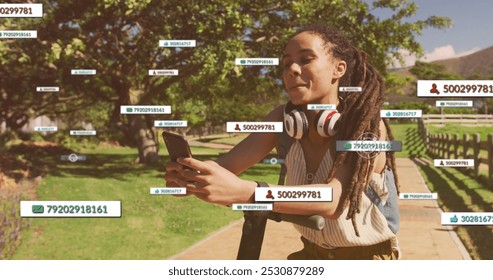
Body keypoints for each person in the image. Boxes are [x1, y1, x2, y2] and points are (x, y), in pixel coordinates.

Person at [165, 24, 401, 260]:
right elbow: (226, 166)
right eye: (287, 63)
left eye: (306, 59)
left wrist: (250, 192)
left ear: (338, 69)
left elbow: (333, 200)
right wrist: (191, 177)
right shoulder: (282, 119)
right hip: (311, 254)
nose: (292, 70)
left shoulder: (368, 125)